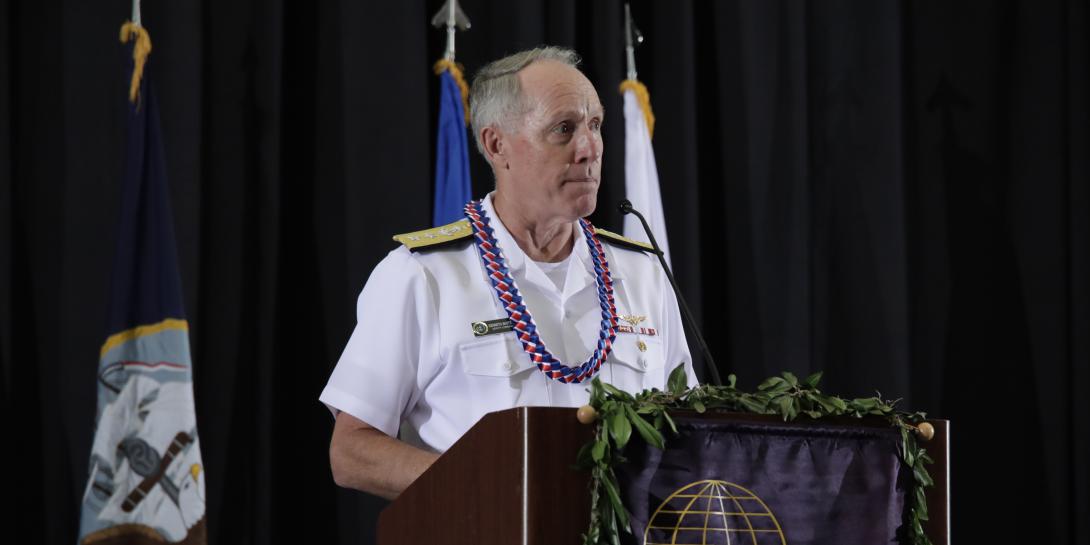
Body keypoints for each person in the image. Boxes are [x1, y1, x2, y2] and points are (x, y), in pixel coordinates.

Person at [320, 46, 696, 499]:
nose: (589, 148)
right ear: (497, 145)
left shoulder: (644, 274)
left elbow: (690, 432)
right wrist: (483, 488)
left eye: (595, 125)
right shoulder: (423, 275)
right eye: (564, 129)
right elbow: (353, 451)